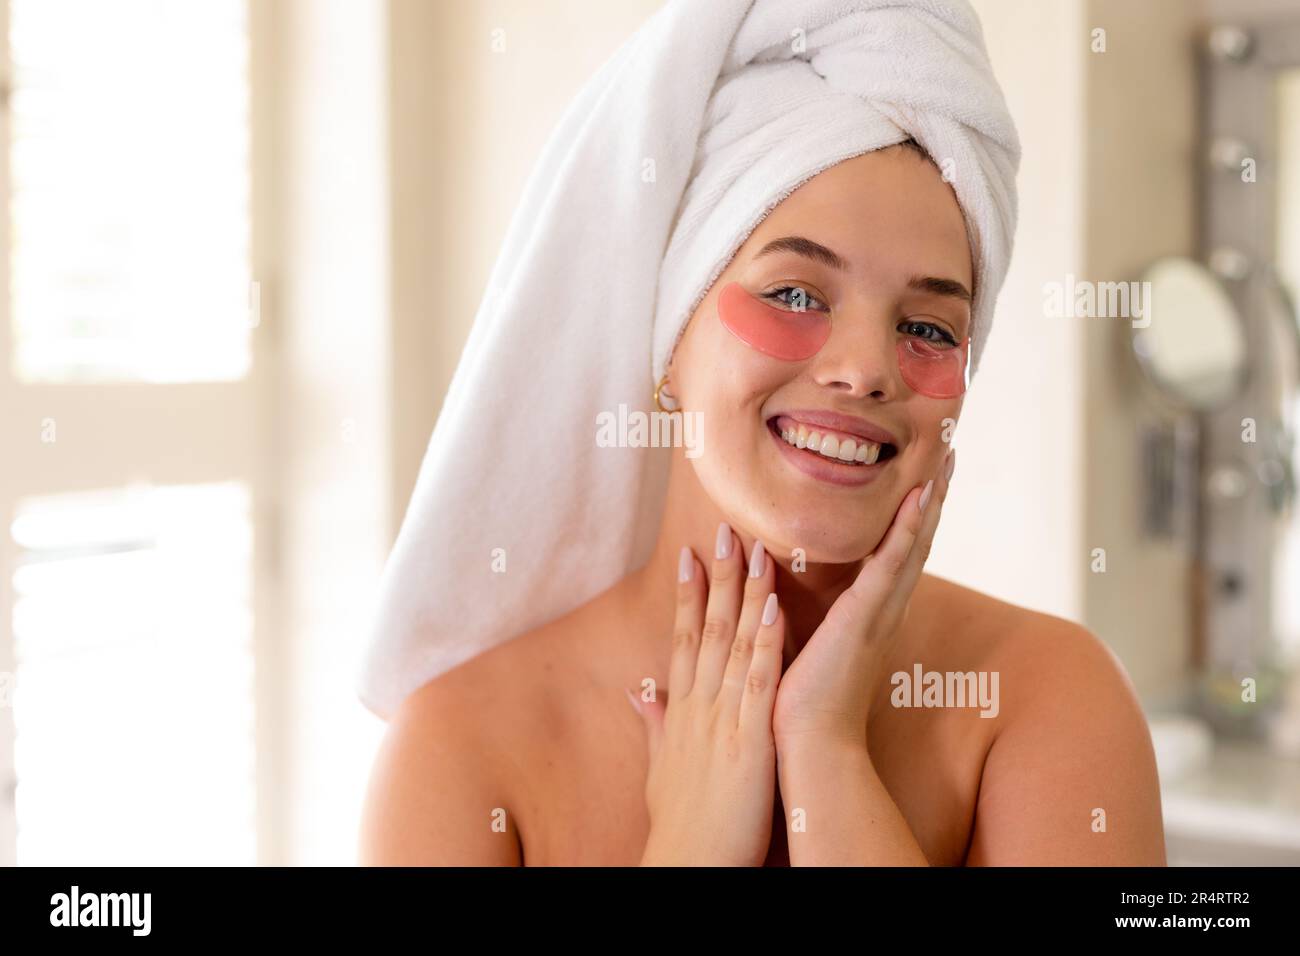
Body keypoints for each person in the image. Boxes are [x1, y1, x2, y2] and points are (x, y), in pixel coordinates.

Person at [357, 0, 1166, 866]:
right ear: (670, 336)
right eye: (795, 294)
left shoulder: (1045, 698)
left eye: (929, 328)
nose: (865, 370)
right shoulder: (463, 752)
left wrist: (826, 748)